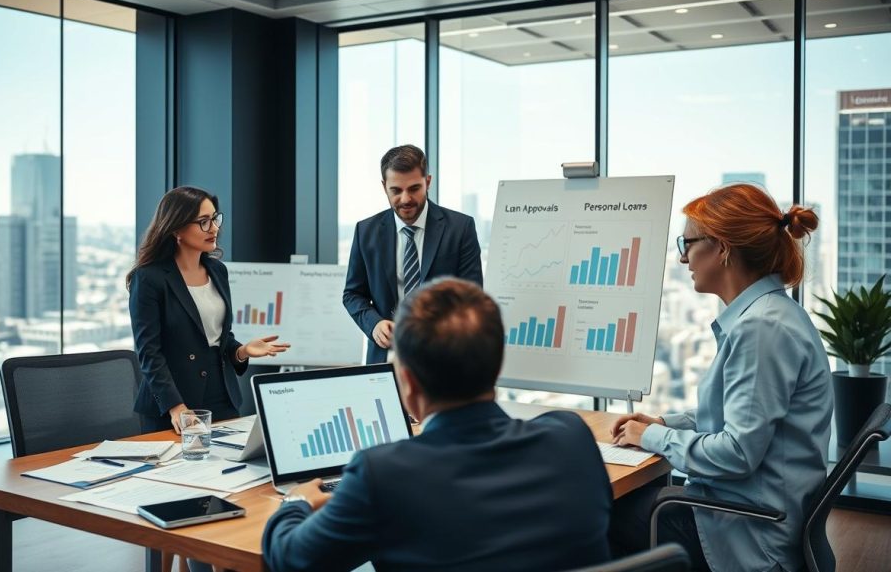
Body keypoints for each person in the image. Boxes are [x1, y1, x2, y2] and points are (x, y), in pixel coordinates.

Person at [263, 278, 612, 572]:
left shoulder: (382, 474)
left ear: (408, 383)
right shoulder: (572, 437)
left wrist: (296, 501)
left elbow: (291, 559)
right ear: (497, 364)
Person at [609, 184, 833, 572]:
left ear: (722, 248)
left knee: (600, 512)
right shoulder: (769, 315)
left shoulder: (762, 329)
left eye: (688, 243)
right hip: (751, 512)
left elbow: (736, 453)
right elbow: (735, 415)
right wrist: (663, 424)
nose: (683, 258)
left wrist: (651, 438)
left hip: (750, 535)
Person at [127, 186, 289, 434]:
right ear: (176, 229)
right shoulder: (149, 278)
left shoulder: (217, 271)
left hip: (222, 394)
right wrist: (176, 407)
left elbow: (217, 336)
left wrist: (242, 351)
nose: (214, 228)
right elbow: (149, 352)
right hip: (174, 402)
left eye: (214, 218)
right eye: (203, 222)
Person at [344, 145, 483, 364]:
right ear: (384, 187)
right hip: (385, 360)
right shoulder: (366, 231)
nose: (405, 199)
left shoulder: (460, 228)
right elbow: (352, 294)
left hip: (445, 359)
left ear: (428, 182)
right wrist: (375, 325)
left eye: (414, 188)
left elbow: (472, 298)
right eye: (396, 190)